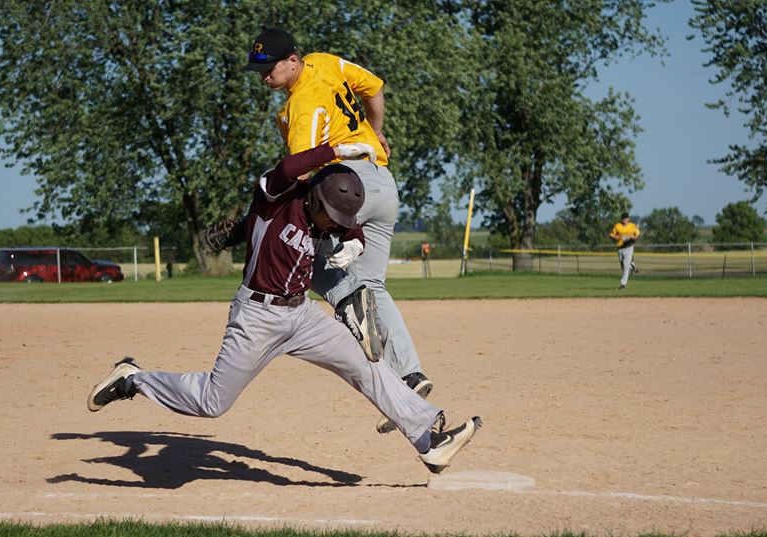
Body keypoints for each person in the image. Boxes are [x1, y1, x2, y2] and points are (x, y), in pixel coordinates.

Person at [88, 144, 481, 474]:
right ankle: (132, 379)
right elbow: (289, 167)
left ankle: (428, 438)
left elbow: (353, 228)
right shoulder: (277, 198)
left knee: (368, 365)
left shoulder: (328, 215)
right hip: (257, 317)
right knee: (212, 402)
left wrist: (355, 243)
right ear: (316, 197)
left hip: (302, 315)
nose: (338, 224)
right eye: (335, 216)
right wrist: (336, 150)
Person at [242, 27, 432, 435]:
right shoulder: (326, 62)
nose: (263, 76)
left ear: (292, 60)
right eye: (257, 69)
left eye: (268, 67)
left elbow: (303, 173)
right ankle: (411, 375)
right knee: (374, 285)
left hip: (344, 191)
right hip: (383, 181)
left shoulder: (301, 108)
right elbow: (375, 89)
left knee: (307, 267)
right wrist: (377, 133)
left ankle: (352, 307)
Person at [609, 212, 640, 289]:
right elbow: (612, 234)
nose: (625, 220)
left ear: (628, 219)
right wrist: (616, 237)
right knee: (623, 267)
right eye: (623, 218)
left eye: (626, 218)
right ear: (621, 219)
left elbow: (637, 234)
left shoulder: (632, 226)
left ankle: (623, 284)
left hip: (629, 247)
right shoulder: (617, 226)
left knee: (626, 267)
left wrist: (633, 237)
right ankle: (632, 266)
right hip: (620, 248)